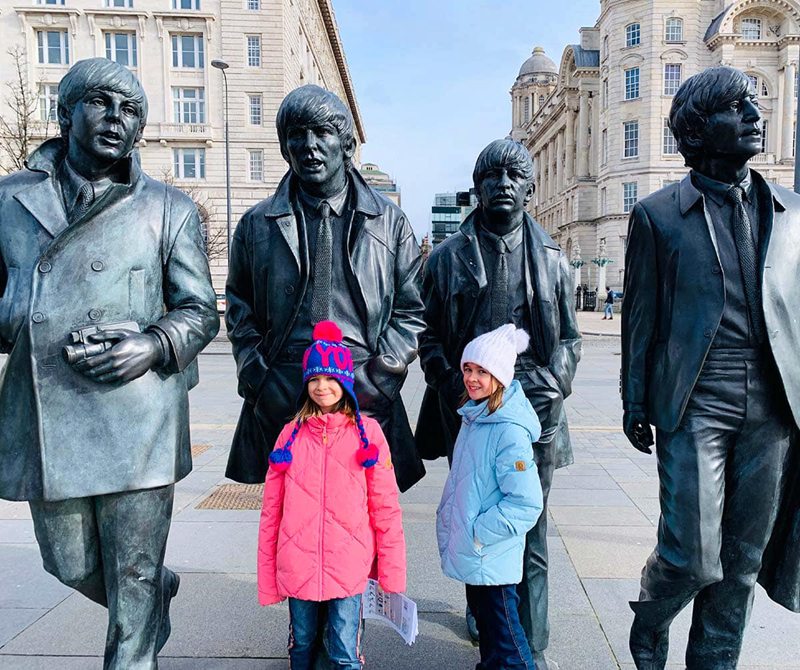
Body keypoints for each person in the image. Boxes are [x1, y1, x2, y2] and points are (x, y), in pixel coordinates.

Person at [0, 58, 219, 667]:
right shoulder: (10, 202)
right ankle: (153, 595)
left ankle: (142, 611)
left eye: (131, 112)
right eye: (100, 103)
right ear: (64, 112)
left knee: (133, 575)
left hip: (139, 416)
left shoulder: (167, 208)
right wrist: (19, 309)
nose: (116, 120)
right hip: (52, 417)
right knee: (67, 562)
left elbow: (200, 310)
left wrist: (152, 344)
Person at [622, 65, 800, 670]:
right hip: (697, 393)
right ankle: (651, 614)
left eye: (755, 105)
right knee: (692, 555)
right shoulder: (658, 215)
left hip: (774, 401)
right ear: (697, 130)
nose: (755, 116)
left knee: (742, 562)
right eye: (736, 108)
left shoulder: (792, 210)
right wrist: (634, 400)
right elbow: (640, 318)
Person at [417, 138, 580, 670]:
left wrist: (556, 380)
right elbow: (426, 332)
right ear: (477, 188)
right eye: (492, 177)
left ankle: (529, 635)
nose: (503, 186)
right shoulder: (444, 259)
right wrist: (447, 383)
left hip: (532, 409)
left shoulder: (553, 258)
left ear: (529, 188)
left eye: (514, 177)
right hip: (467, 407)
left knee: (529, 521)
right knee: (473, 511)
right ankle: (482, 613)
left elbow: (571, 339)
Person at [226, 84, 425, 494]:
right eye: (296, 135)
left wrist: (378, 379)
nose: (309, 146)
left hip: (363, 383)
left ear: (346, 144)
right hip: (282, 386)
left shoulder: (389, 223)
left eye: (322, 133)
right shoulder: (256, 225)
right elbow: (239, 308)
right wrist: (256, 374)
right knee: (290, 523)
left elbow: (411, 312)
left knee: (363, 519)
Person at [257, 320, 406, 669]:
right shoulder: (290, 435)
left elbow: (386, 509)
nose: (322, 387)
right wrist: (268, 574)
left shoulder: (367, 435)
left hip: (349, 566)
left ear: (345, 381)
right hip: (298, 564)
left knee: (344, 649)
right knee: (302, 644)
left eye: (330, 378)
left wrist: (391, 572)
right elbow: (271, 512)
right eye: (314, 379)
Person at [437, 324, 543, 670]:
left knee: (507, 639)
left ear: (499, 376)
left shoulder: (508, 430)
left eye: (482, 371)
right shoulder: (476, 417)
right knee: (489, 631)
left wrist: (480, 532)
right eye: (468, 369)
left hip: (490, 554)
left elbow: (526, 502)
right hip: (477, 552)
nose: (472, 378)